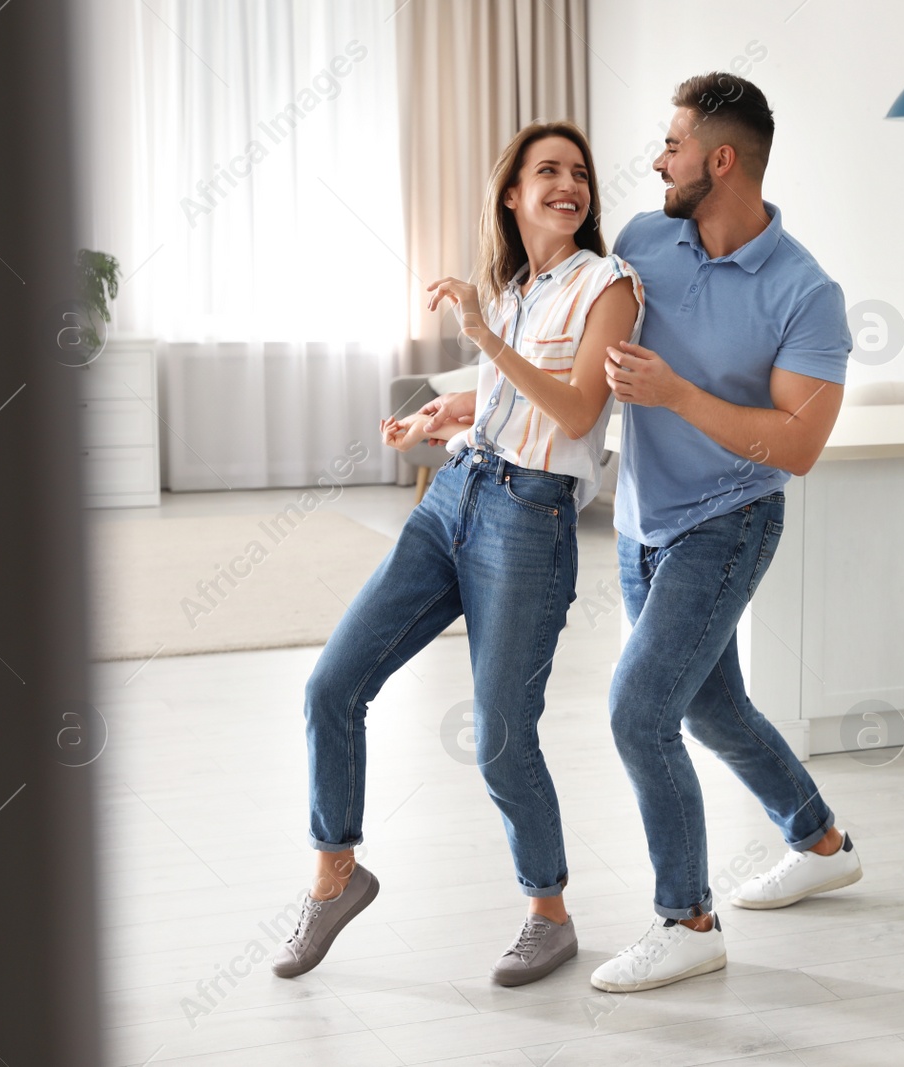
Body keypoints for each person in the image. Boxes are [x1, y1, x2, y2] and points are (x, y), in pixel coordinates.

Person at [270, 120, 644, 988]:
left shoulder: (608, 283)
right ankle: (336, 874)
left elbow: (580, 412)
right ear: (511, 194)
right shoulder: (514, 286)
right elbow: (516, 401)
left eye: (579, 173)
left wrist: (481, 336)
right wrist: (448, 417)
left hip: (530, 521)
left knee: (500, 740)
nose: (569, 184)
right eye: (546, 170)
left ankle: (548, 914)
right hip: (456, 497)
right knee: (332, 685)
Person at [587, 73, 861, 994]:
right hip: (642, 522)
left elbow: (798, 445)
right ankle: (820, 840)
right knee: (709, 707)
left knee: (638, 711)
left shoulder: (804, 292)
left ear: (720, 158)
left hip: (730, 520)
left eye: (671, 144)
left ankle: (686, 919)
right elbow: (581, 357)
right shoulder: (642, 240)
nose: (657, 160)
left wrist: (675, 395)